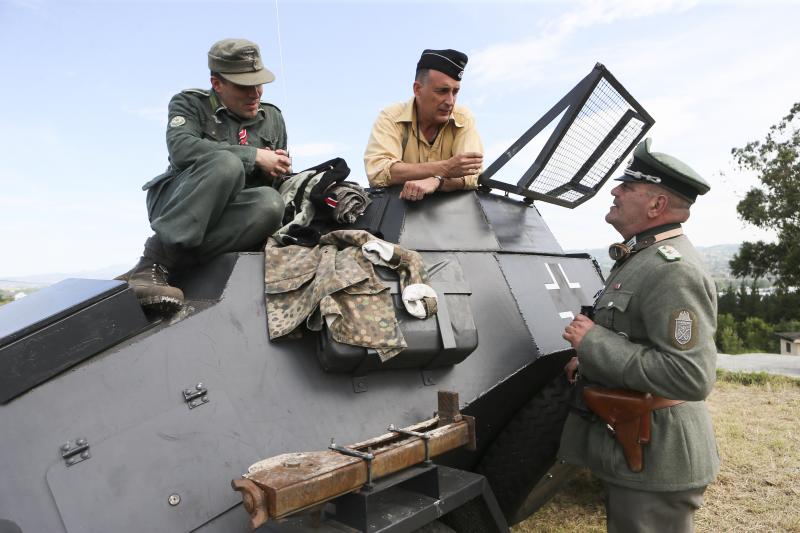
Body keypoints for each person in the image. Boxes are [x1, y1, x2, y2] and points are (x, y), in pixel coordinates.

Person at [559, 138, 719, 532]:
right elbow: (639, 338)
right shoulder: (642, 256)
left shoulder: (673, 270)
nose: (614, 191)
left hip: (658, 456)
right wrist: (589, 359)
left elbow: (689, 375)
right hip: (637, 448)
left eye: (627, 187)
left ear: (656, 205)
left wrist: (593, 341)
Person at [123, 38, 290, 311]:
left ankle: (177, 266)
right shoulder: (190, 103)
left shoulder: (272, 118)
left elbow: (280, 177)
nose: (255, 93)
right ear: (217, 84)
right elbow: (181, 149)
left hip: (231, 217)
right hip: (176, 203)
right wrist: (254, 156)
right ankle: (154, 261)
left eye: (258, 83)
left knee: (271, 204)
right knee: (226, 164)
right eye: (243, 86)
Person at [364, 49, 484, 202]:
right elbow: (379, 172)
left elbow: (473, 174)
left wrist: (437, 181)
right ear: (417, 89)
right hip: (396, 212)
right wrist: (445, 168)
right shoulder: (391, 117)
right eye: (442, 91)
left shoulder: (463, 118)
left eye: (455, 92)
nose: (450, 101)